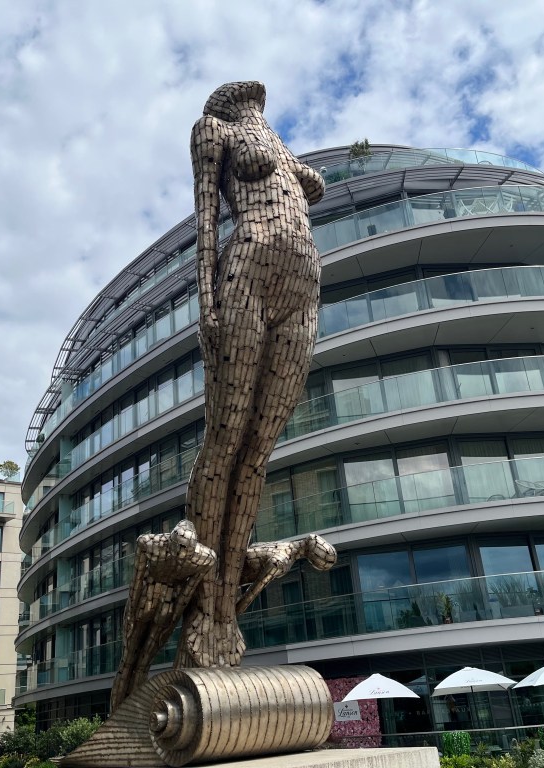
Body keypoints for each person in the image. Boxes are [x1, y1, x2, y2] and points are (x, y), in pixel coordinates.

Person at [177, 81, 326, 669]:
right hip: (250, 266)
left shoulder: (277, 140)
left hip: (304, 281)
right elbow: (206, 221)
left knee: (259, 449)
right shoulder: (214, 129)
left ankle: (226, 609)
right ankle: (207, 602)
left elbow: (312, 186)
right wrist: (207, 303)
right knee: (227, 434)